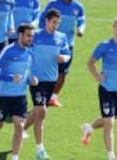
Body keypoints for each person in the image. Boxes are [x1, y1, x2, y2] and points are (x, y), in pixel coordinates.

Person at [81, 16, 117, 160]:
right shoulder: (104, 46)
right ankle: (111, 156)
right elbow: (90, 62)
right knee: (109, 122)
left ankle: (89, 127)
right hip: (106, 89)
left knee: (109, 120)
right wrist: (97, 76)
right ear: (115, 29)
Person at [0, 25, 37, 160]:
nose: (30, 39)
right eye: (28, 36)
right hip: (4, 96)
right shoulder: (8, 50)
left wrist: (30, 81)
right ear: (20, 35)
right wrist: (10, 78)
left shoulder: (30, 52)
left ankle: (15, 156)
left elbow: (25, 75)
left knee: (19, 126)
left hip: (20, 96)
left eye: (32, 36)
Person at [25, 9, 71, 159]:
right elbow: (25, 51)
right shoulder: (36, 36)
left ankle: (21, 129)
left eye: (58, 23)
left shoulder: (61, 37)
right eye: (53, 22)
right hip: (36, 80)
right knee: (42, 111)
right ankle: (40, 150)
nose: (55, 26)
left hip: (51, 80)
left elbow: (67, 54)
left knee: (37, 112)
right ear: (46, 21)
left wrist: (63, 58)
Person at [38, 0, 86, 107]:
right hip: (51, 45)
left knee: (62, 72)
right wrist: (45, 33)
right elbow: (42, 20)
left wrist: (80, 29)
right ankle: (41, 96)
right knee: (47, 71)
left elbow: (82, 21)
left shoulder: (78, 7)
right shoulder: (53, 4)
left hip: (68, 44)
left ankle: (53, 98)